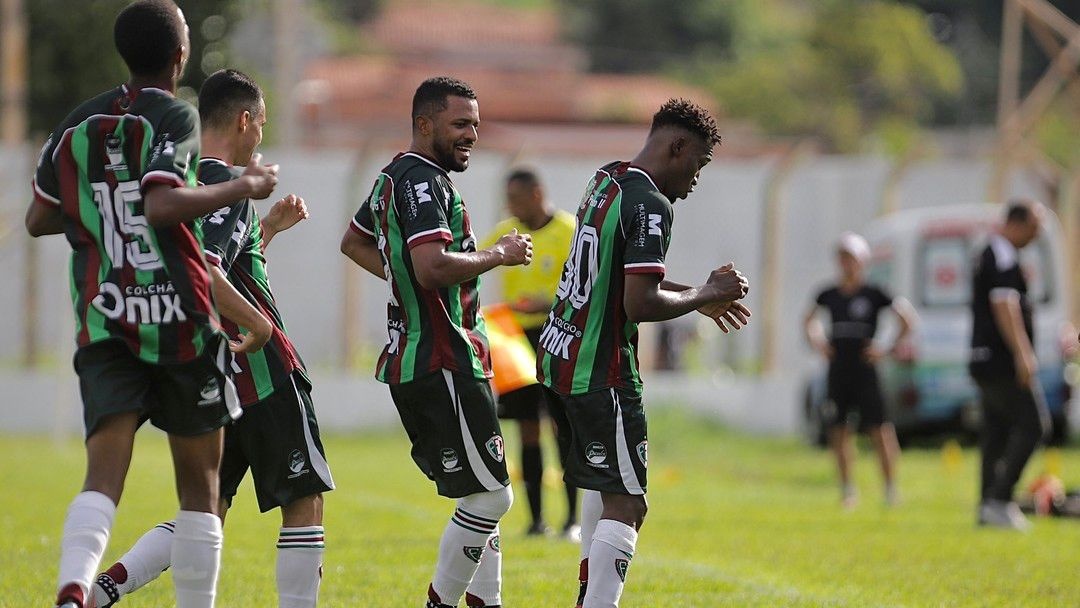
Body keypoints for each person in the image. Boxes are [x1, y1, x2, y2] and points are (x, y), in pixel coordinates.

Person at [23, 2, 279, 607]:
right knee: (201, 485)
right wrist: (246, 185)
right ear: (180, 55)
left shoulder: (80, 120)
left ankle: (74, 586)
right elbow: (163, 206)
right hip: (179, 317)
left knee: (103, 475)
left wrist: (99, 210)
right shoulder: (175, 115)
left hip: (106, 312)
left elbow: (38, 217)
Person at [90, 69, 334, 608]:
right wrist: (261, 324)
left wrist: (266, 229)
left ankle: (103, 590)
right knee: (304, 499)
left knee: (206, 511)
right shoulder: (225, 183)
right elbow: (205, 271)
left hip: (213, 376)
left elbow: (215, 266)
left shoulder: (181, 184)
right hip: (263, 372)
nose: (261, 138)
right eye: (262, 126)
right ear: (244, 121)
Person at [536, 98, 750, 608]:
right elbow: (641, 302)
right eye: (697, 164)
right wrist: (706, 291)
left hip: (560, 356)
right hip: (602, 369)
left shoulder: (607, 178)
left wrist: (697, 295)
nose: (696, 179)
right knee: (628, 502)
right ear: (676, 147)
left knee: (602, 484)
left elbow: (621, 275)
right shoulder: (653, 203)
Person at [339, 76, 532, 608]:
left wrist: (403, 276)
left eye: (475, 123)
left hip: (428, 357)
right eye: (459, 124)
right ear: (424, 125)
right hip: (442, 355)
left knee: (479, 493)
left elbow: (353, 242)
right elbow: (431, 267)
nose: (472, 133)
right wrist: (499, 254)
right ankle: (442, 602)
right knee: (494, 495)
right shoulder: (425, 183)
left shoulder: (389, 178)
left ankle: (486, 602)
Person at [480, 169, 579, 540]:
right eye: (509, 200)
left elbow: (588, 284)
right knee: (527, 430)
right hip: (514, 340)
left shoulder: (569, 231)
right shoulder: (508, 233)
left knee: (563, 427)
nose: (512, 207)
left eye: (517, 199)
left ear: (537, 193)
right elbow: (473, 258)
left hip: (557, 335)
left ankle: (572, 520)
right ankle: (536, 521)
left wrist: (550, 302)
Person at [803, 232, 915, 508]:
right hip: (839, 369)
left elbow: (906, 319)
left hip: (865, 370)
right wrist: (818, 343)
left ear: (862, 261)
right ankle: (847, 490)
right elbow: (808, 320)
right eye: (842, 258)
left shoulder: (875, 293)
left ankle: (890, 489)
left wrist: (886, 348)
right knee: (839, 430)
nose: (846, 263)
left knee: (880, 430)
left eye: (851, 258)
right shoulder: (828, 293)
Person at [970, 200, 1051, 530]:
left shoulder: (988, 250)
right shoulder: (1001, 253)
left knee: (997, 431)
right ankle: (1000, 499)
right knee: (1034, 425)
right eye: (1033, 229)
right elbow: (1004, 303)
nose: (1035, 236)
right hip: (1002, 359)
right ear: (1016, 224)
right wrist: (1023, 352)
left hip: (983, 358)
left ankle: (987, 504)